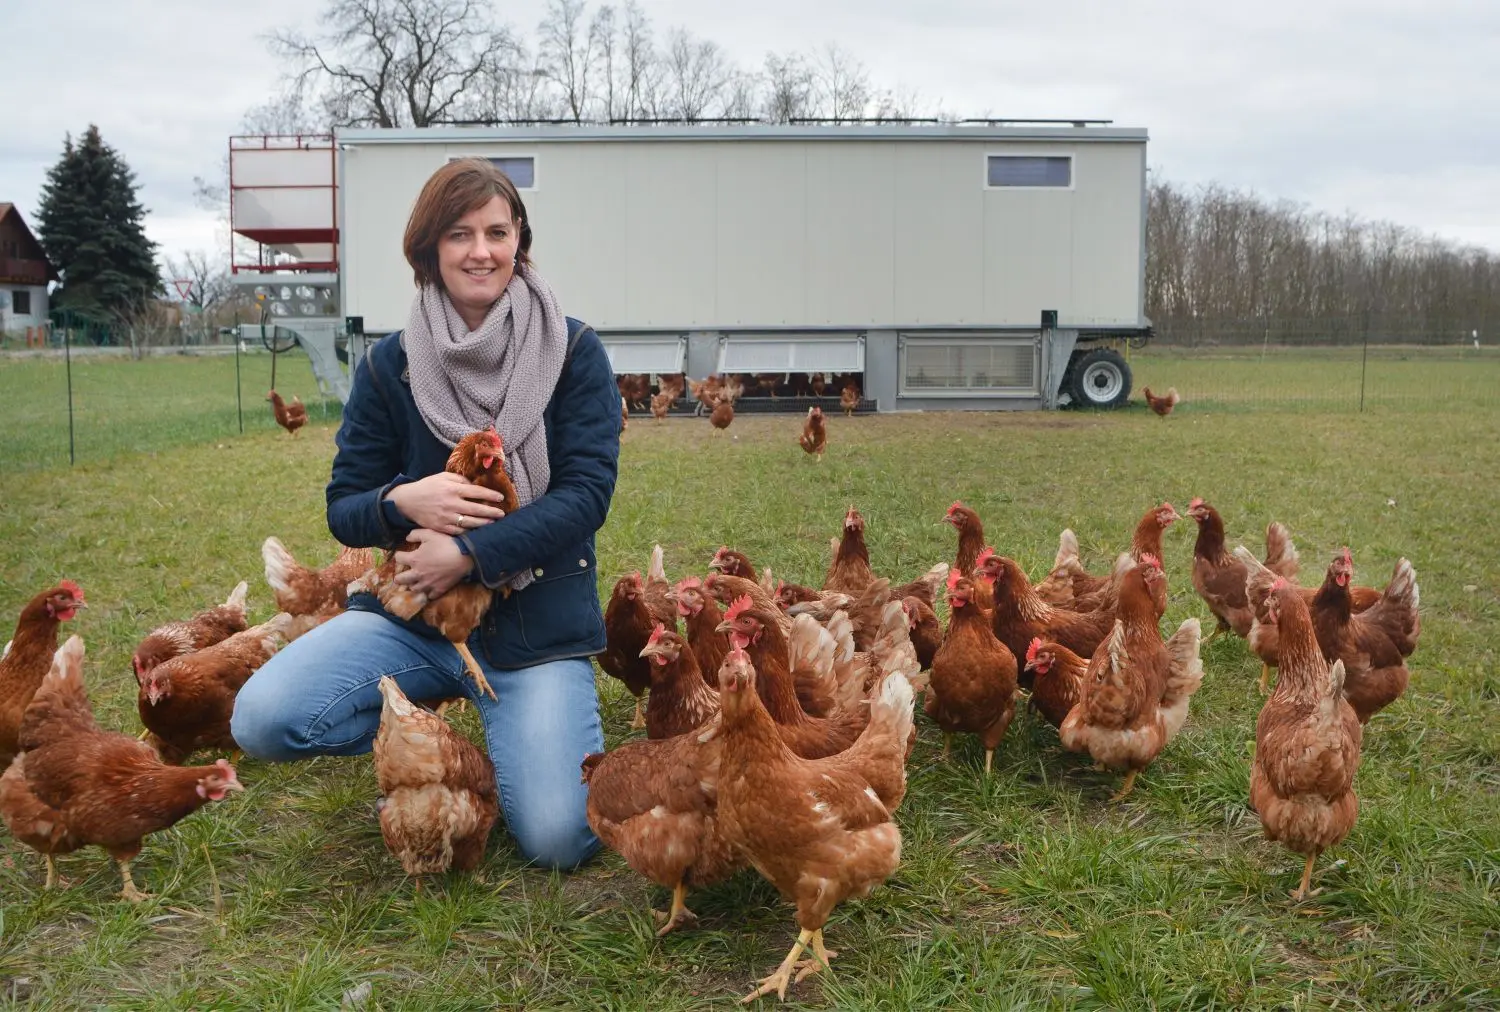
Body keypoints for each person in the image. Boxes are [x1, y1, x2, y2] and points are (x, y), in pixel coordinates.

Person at [232, 158, 622, 870]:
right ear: (429, 249)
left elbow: (585, 494)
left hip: (535, 627)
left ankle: (516, 737)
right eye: (459, 234)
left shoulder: (572, 351)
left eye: (497, 232)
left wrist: (470, 553)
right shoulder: (392, 365)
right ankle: (446, 732)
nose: (481, 251)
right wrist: (400, 501)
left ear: (519, 240)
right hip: (412, 619)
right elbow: (344, 507)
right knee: (261, 719)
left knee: (558, 839)